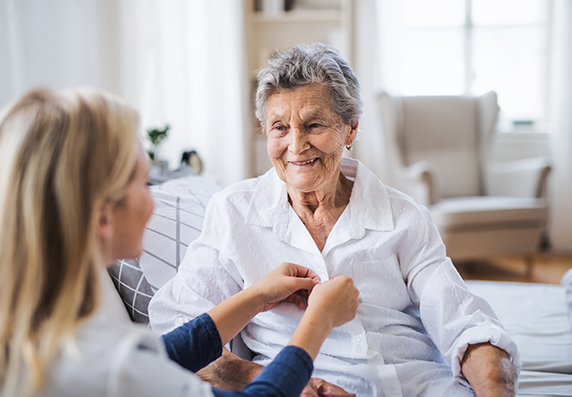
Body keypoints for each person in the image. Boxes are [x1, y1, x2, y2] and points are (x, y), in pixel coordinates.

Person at [149, 43, 521, 396]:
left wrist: (492, 384)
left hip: (415, 384)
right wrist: (259, 378)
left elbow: (466, 325)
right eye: (280, 127)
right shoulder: (233, 212)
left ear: (351, 129)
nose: (295, 146)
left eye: (314, 126)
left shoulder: (404, 217)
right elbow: (176, 326)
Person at [0, 87, 361, 397]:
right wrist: (319, 320)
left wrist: (255, 296)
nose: (153, 199)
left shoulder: (28, 336)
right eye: (144, 182)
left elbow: (165, 354)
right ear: (103, 215)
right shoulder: (113, 369)